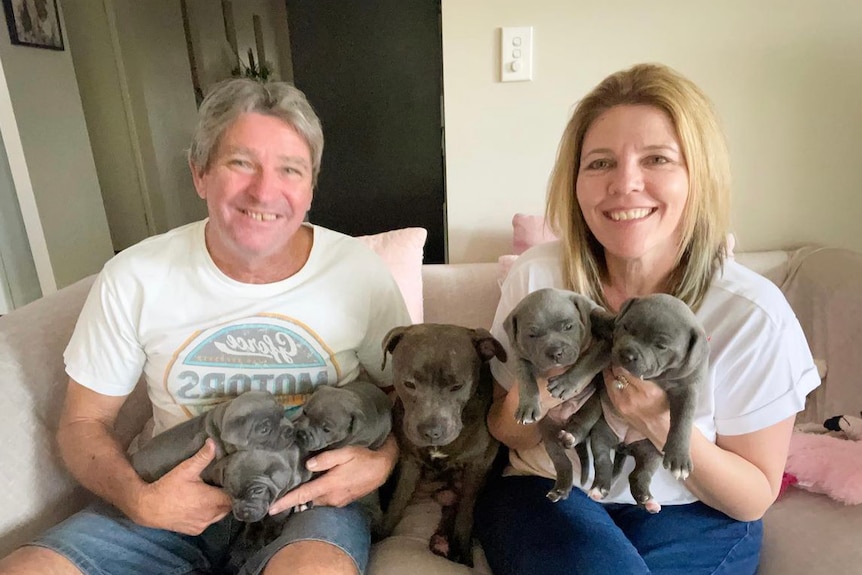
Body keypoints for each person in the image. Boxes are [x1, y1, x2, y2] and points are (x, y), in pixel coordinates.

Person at [0, 78, 410, 575]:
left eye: (290, 170)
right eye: (241, 163)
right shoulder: (136, 276)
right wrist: (139, 499)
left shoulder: (358, 272)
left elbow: (402, 393)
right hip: (168, 496)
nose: (265, 190)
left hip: (306, 503)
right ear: (200, 174)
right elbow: (82, 424)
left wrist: (381, 459)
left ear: (310, 189)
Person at [474, 63, 820, 575]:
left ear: (697, 177)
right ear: (574, 183)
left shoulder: (753, 312)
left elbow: (752, 497)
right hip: (550, 491)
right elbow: (508, 431)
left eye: (656, 159)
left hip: (695, 513)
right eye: (599, 164)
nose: (625, 184)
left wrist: (657, 420)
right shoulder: (538, 279)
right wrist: (549, 388)